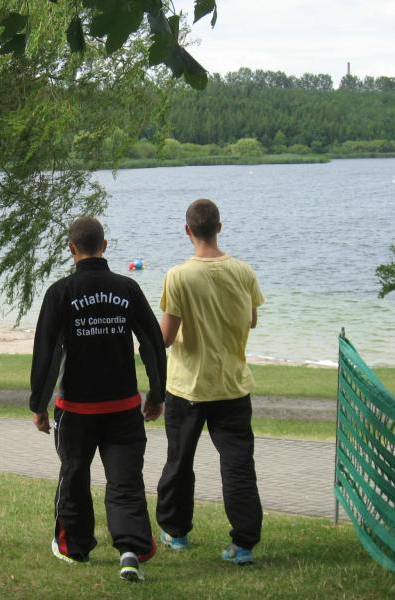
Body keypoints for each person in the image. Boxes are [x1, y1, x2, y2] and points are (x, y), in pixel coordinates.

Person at [30, 216, 167, 582]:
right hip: (123, 406)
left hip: (75, 409)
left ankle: (74, 547)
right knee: (125, 480)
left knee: (74, 476)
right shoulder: (127, 288)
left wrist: (38, 405)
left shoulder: (60, 292)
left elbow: (46, 354)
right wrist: (157, 394)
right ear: (104, 246)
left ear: (71, 248)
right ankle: (130, 550)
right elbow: (153, 344)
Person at [156, 198, 264, 565]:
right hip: (232, 385)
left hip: (187, 387)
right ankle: (243, 544)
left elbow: (166, 338)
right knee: (238, 466)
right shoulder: (244, 271)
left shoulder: (178, 276)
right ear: (219, 227)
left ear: (187, 230)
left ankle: (176, 532)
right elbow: (251, 320)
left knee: (179, 461)